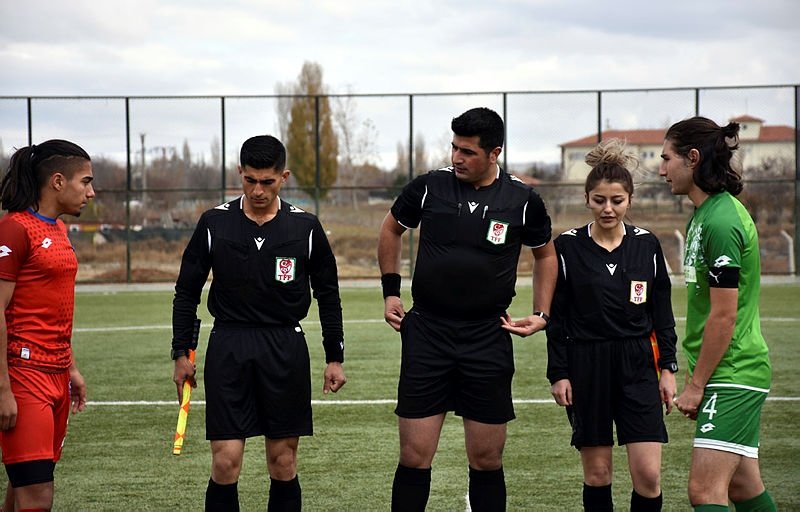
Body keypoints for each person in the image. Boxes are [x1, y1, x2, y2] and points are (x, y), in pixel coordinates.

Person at [378, 107, 557, 511]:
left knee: (487, 459)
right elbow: (391, 228)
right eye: (454, 148)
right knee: (414, 456)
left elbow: (545, 255)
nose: (457, 157)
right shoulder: (429, 187)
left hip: (487, 335)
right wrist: (391, 292)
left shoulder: (522, 200)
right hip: (428, 333)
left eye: (468, 151)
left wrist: (542, 313)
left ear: (494, 153)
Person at [171, 135, 346, 512]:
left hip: (284, 346)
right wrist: (180, 352)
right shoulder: (214, 222)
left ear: (284, 177)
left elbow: (328, 295)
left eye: (267, 182)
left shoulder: (306, 227)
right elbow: (186, 291)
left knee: (283, 462)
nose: (258, 190)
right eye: (250, 180)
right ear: (240, 173)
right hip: (229, 345)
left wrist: (335, 357)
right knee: (225, 462)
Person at [546, 139, 678, 512]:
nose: (608, 208)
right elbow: (557, 317)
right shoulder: (566, 247)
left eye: (617, 200)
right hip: (586, 363)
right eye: (599, 200)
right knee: (598, 474)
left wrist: (668, 368)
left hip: (637, 364)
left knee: (648, 475)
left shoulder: (647, 245)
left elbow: (662, 312)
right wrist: (559, 373)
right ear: (587, 199)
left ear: (629, 200)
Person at [660, 117, 776, 512]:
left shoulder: (723, 220)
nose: (661, 170)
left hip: (734, 372)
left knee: (705, 491)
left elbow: (724, 316)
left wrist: (696, 385)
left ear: (692, 158)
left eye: (667, 159)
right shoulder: (703, 215)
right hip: (724, 371)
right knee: (743, 488)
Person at [0, 140, 93, 511]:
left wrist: (71, 367)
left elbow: (54, 307)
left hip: (56, 374)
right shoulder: (14, 230)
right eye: (85, 182)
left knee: (24, 485)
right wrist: (3, 388)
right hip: (24, 375)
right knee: (37, 497)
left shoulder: (59, 230)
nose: (90, 192)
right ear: (58, 181)